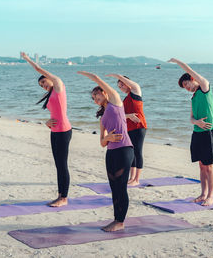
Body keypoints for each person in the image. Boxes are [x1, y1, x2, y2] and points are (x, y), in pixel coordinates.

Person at [77, 71, 134, 232]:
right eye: (93, 99)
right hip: (111, 152)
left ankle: (120, 221)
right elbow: (102, 142)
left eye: (97, 95)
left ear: (104, 92)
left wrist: (87, 74)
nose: (96, 99)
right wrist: (107, 137)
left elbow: (97, 79)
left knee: (121, 186)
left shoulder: (116, 102)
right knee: (114, 187)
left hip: (124, 149)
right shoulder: (102, 118)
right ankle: (117, 219)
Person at [21, 52, 72, 207]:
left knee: (62, 165)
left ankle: (64, 198)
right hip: (55, 131)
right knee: (58, 165)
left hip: (63, 131)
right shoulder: (50, 95)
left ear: (50, 78)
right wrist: (47, 123)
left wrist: (27, 59)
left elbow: (39, 69)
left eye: (44, 82)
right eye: (41, 85)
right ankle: (60, 195)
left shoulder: (58, 86)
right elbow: (53, 113)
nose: (44, 85)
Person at [168, 58, 213, 206]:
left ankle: (211, 196)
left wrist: (177, 62)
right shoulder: (193, 97)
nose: (186, 88)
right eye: (184, 87)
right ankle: (203, 194)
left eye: (186, 84)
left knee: (209, 166)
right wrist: (197, 122)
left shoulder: (204, 88)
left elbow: (189, 70)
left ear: (192, 79)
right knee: (201, 165)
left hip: (209, 131)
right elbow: (191, 118)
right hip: (197, 132)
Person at [106, 74, 147, 186]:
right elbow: (121, 115)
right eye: (119, 86)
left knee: (138, 152)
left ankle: (137, 179)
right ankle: (131, 178)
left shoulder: (135, 92)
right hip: (129, 128)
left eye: (123, 84)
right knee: (132, 153)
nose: (121, 88)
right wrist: (128, 116)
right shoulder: (125, 99)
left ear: (128, 83)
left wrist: (116, 76)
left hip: (139, 127)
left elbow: (134, 85)